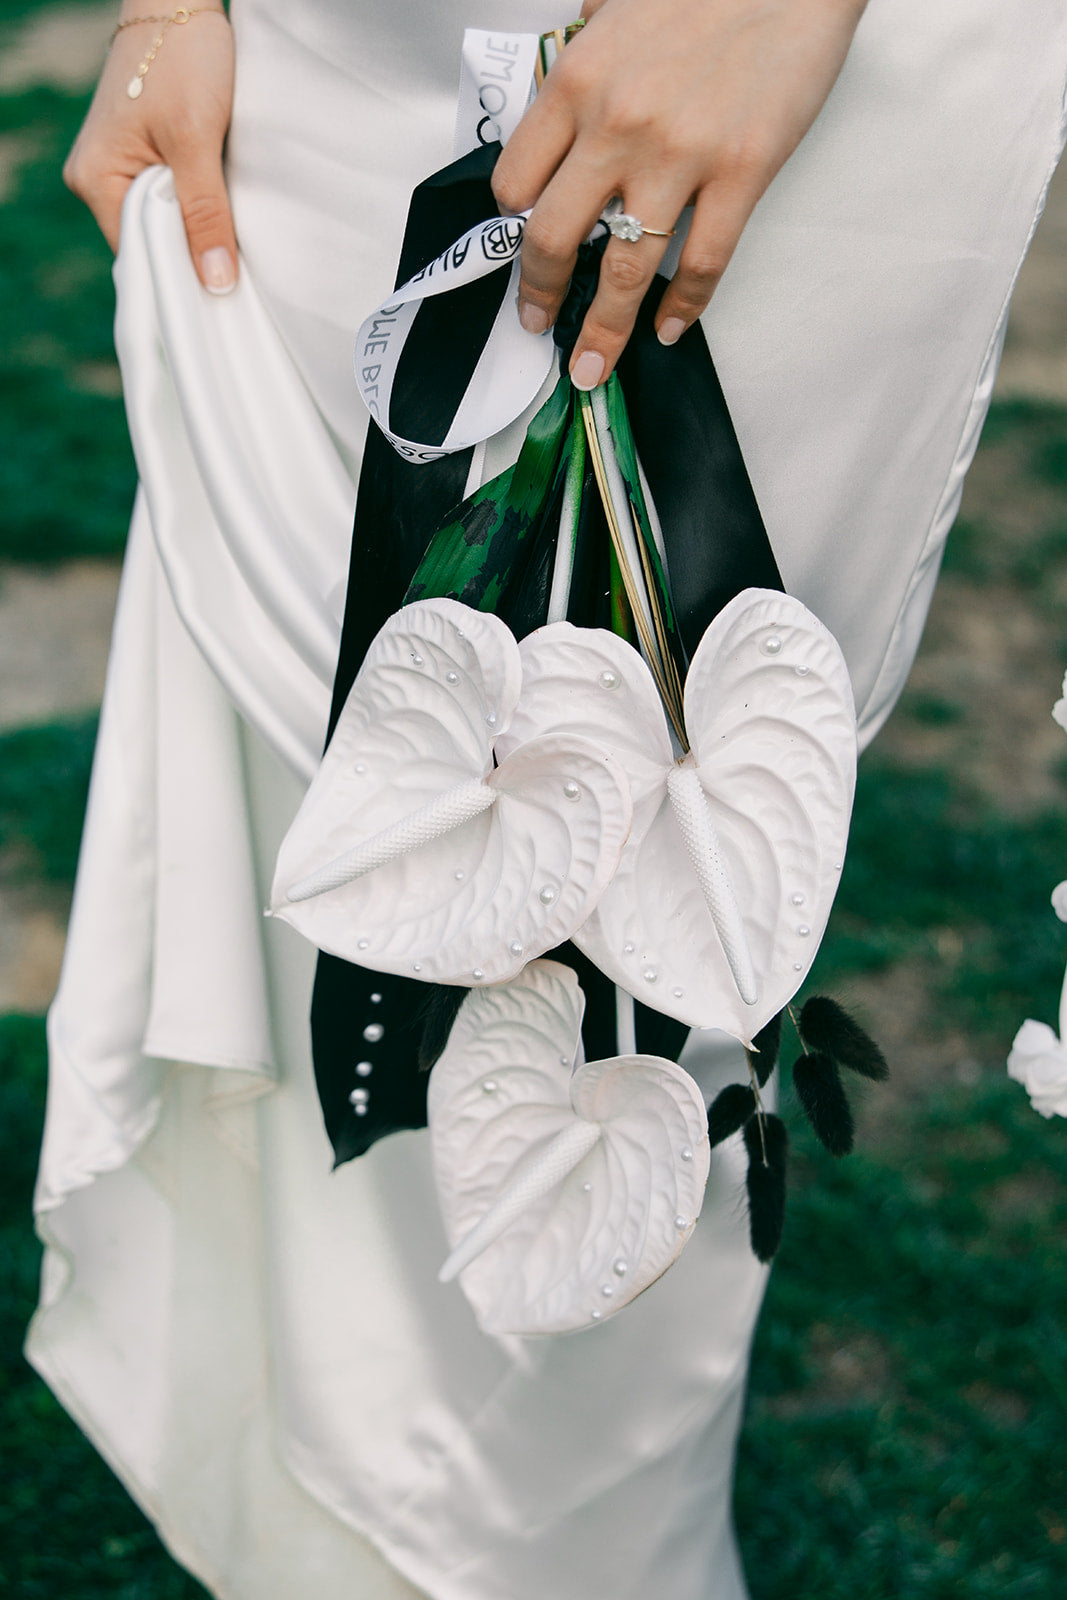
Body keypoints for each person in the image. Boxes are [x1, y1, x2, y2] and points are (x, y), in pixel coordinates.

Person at [27, 2, 1067, 1597]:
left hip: (805, 56)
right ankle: (337, 1511)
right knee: (370, 789)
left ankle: (570, 1534)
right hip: (348, 42)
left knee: (661, 870)